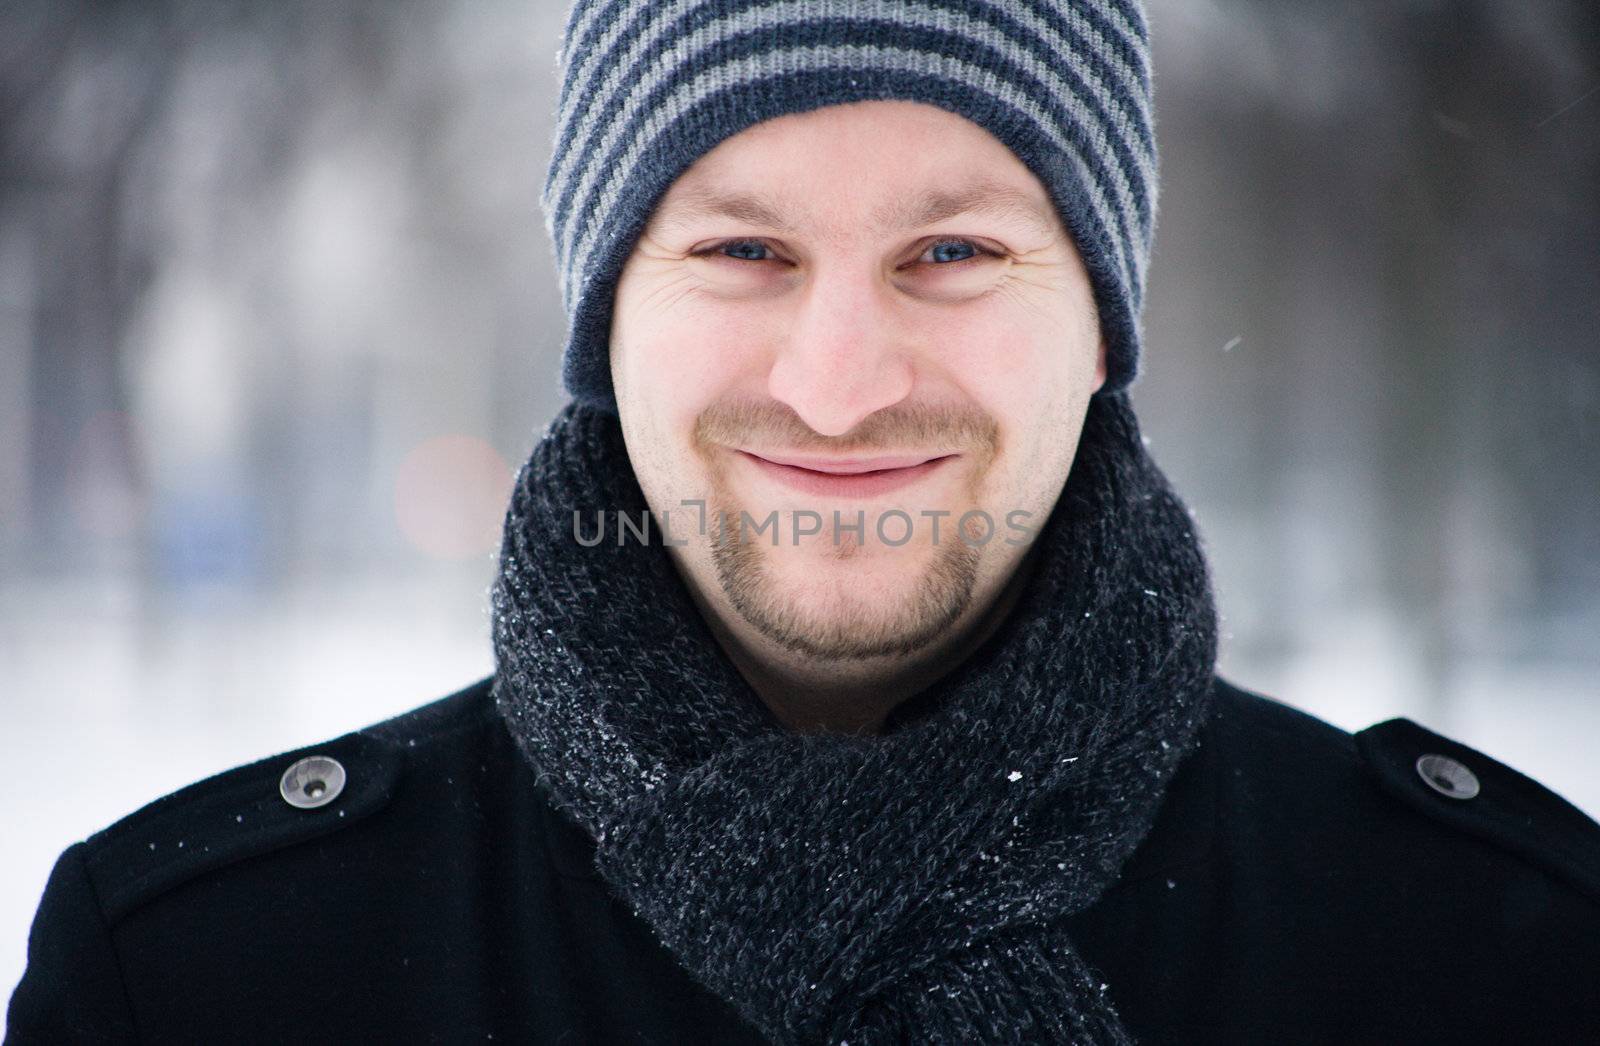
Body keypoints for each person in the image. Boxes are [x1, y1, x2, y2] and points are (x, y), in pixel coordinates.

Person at [8, 1, 1600, 1042]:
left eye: (954, 253)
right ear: (605, 320)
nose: (838, 389)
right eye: (746, 252)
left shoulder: (1484, 955)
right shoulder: (210, 980)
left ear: (1106, 323)